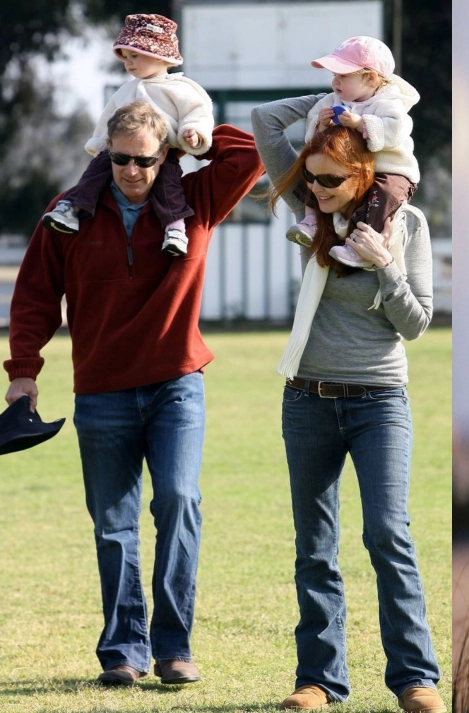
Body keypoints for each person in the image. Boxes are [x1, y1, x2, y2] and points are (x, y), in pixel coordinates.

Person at [4, 100, 263, 686]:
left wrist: (194, 125)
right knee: (113, 526)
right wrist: (24, 370)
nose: (131, 171)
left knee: (178, 501)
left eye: (145, 160)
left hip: (177, 385)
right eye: (118, 159)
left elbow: (246, 156)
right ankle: (123, 649)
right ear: (105, 155)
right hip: (101, 391)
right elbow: (35, 296)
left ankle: (174, 647)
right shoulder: (69, 213)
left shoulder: (194, 203)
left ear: (164, 154)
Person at [251, 96, 445, 713]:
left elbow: (415, 325)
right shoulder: (308, 208)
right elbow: (264, 122)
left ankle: (415, 680)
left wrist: (384, 266)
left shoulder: (406, 225)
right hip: (307, 399)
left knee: (388, 534)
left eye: (331, 179)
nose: (317, 188)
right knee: (315, 545)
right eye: (310, 178)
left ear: (364, 173)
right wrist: (341, 102)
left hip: (379, 401)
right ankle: (318, 681)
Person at [43, 13, 214, 258]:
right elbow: (109, 117)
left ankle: (175, 228)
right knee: (92, 175)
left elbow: (198, 112)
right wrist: (101, 142)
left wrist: (194, 132)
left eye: (135, 56)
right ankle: (71, 208)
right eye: (125, 57)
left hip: (159, 155)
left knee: (169, 188)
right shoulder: (126, 90)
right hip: (117, 150)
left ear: (159, 56)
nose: (128, 63)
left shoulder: (181, 89)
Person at [284, 35, 420, 272]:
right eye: (334, 76)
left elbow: (398, 129)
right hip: (348, 171)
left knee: (383, 197)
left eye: (343, 76)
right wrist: (321, 125)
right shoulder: (333, 99)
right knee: (315, 179)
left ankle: (360, 246)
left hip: (389, 169)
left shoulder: (388, 102)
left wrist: (362, 123)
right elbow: (313, 131)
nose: (335, 82)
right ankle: (312, 221)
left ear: (371, 78)